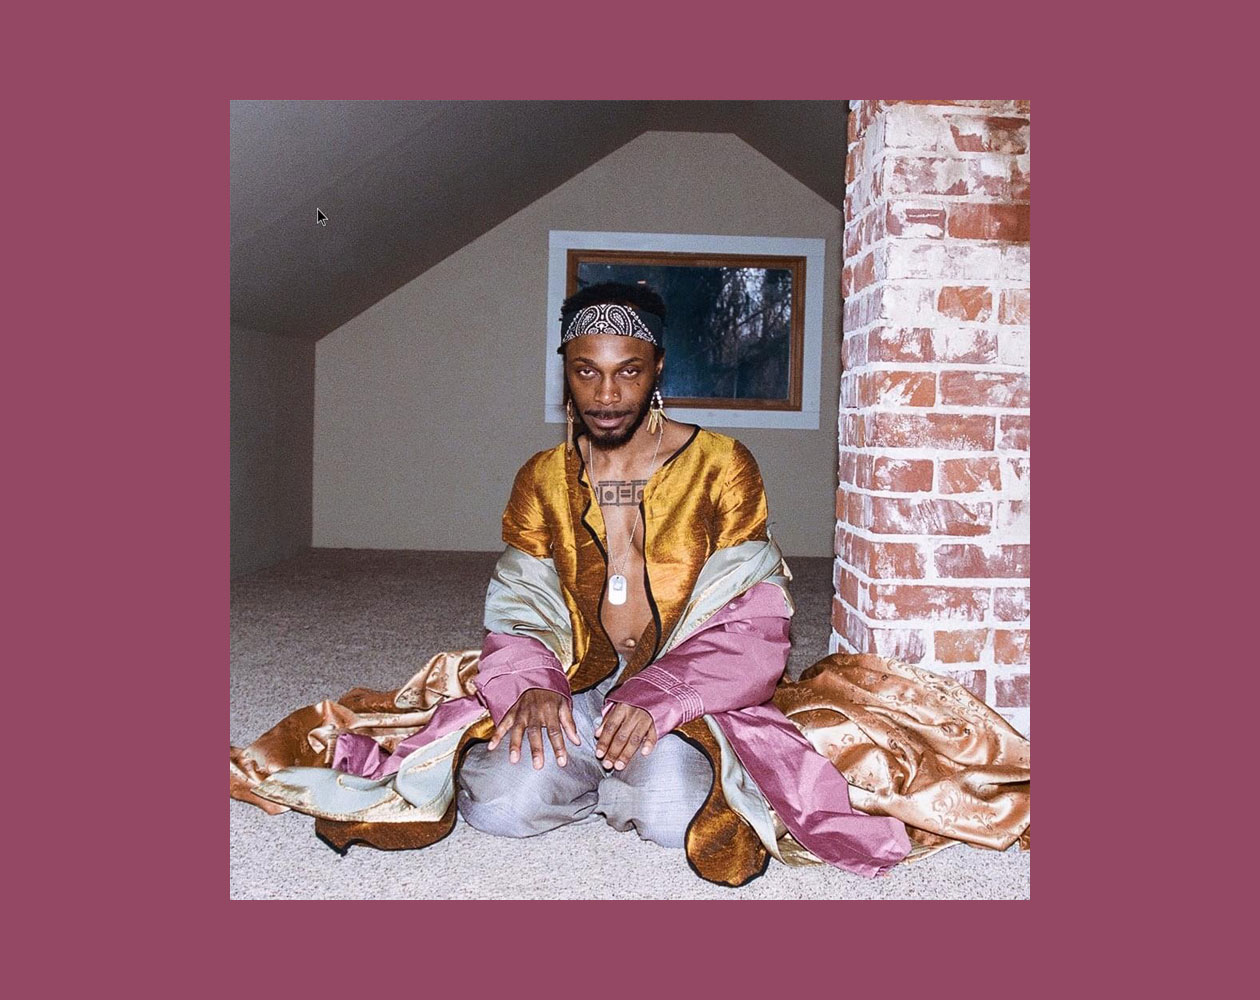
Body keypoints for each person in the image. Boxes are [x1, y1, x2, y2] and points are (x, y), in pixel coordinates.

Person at [231, 282, 1027, 888]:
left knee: (676, 813)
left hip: (685, 695)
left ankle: (623, 769)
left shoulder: (721, 465)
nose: (607, 394)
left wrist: (658, 699)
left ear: (657, 371)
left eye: (626, 372)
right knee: (500, 808)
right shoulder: (542, 478)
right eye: (587, 372)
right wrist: (530, 690)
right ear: (567, 375)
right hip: (577, 684)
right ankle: (587, 763)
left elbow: (753, 621)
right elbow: (520, 605)